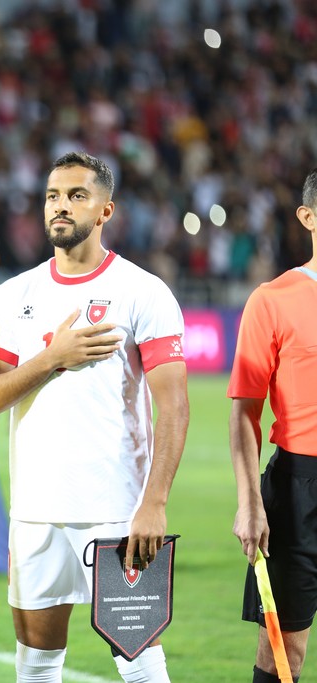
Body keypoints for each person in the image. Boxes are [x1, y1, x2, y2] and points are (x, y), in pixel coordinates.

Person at [0, 151, 188, 683]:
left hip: (117, 512)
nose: (60, 206)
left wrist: (154, 504)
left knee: (141, 667)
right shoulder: (13, 295)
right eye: (52, 196)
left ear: (105, 210)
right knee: (36, 667)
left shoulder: (142, 291)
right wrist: (51, 359)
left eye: (76, 196)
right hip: (35, 511)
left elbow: (175, 407)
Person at [229, 167, 317, 683]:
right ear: (307, 217)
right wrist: (249, 502)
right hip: (299, 489)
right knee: (285, 655)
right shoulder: (272, 299)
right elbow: (245, 412)